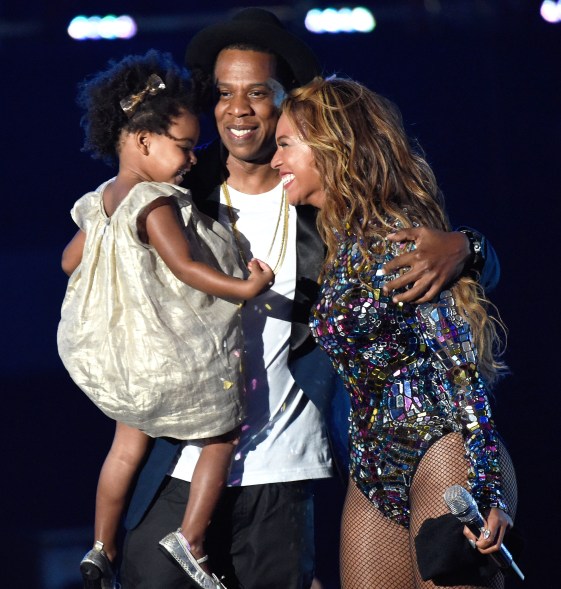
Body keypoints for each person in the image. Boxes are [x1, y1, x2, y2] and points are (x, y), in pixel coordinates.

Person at [120, 9, 500, 589]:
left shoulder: (328, 213)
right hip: (181, 459)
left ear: (286, 104)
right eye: (223, 93)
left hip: (289, 464)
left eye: (257, 92)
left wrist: (468, 247)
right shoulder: (176, 197)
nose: (238, 108)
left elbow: (449, 299)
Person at [271, 76, 518, 589]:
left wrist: (489, 487)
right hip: (372, 462)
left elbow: (461, 369)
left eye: (285, 145)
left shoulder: (398, 236)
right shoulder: (340, 242)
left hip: (440, 448)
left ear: (331, 148)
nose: (276, 162)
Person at [57, 49, 274, 589]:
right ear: (144, 141)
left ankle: (101, 546)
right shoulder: (155, 200)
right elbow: (186, 267)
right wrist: (244, 285)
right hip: (169, 350)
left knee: (125, 448)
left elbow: (67, 261)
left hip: (126, 356)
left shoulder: (101, 200)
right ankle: (191, 538)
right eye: (182, 147)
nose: (191, 159)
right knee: (223, 434)